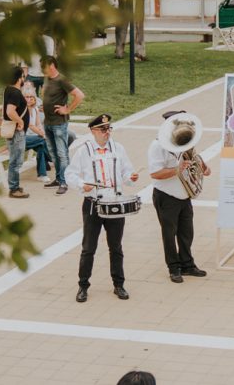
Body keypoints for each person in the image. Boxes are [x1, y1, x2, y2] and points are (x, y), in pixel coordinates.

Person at [66, 114, 138, 302]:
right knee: (89, 248)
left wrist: (131, 177)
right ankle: (83, 286)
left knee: (116, 247)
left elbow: (126, 173)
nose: (107, 133)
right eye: (103, 129)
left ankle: (119, 284)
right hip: (93, 205)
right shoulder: (84, 151)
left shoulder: (118, 148)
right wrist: (83, 184)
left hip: (114, 203)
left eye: (109, 129)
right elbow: (70, 174)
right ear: (93, 131)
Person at [148, 111, 209, 283]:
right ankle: (174, 268)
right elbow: (155, 173)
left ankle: (188, 264)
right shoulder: (157, 146)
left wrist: (203, 166)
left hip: (184, 196)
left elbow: (195, 158)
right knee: (169, 234)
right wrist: (177, 169)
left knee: (186, 233)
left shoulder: (185, 142)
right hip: (166, 197)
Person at [41, 55, 85, 195]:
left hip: (59, 124)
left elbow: (79, 95)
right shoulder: (48, 79)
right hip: (47, 122)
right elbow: (49, 97)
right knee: (53, 153)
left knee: (62, 153)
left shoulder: (62, 80)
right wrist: (44, 106)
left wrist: (68, 109)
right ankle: (59, 178)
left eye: (44, 66)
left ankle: (65, 182)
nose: (42, 69)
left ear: (52, 65)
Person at [3, 66, 30, 199]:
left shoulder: (9, 89)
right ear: (19, 78)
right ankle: (14, 189)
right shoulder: (14, 92)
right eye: (23, 76)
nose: (24, 79)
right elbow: (10, 111)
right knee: (16, 161)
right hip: (16, 132)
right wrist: (21, 121)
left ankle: (15, 186)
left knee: (16, 160)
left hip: (15, 132)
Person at [22, 83, 51, 183]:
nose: (29, 99)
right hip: (21, 139)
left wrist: (42, 132)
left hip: (33, 137)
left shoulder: (35, 109)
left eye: (31, 97)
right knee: (43, 141)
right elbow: (31, 125)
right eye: (26, 97)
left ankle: (42, 175)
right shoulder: (22, 110)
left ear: (35, 98)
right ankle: (53, 158)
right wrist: (43, 135)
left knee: (41, 146)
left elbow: (38, 124)